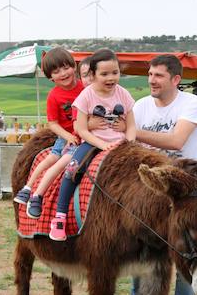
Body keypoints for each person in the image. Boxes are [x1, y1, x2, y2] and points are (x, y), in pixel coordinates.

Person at [118, 54, 197, 295]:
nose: (152, 80)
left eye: (159, 75)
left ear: (175, 80)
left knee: (184, 262)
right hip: (151, 192)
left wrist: (130, 130)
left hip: (186, 193)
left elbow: (177, 141)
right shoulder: (140, 106)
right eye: (150, 74)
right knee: (142, 252)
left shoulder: (191, 103)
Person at [47, 49, 136, 240]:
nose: (111, 77)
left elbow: (131, 125)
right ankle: (60, 216)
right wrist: (103, 145)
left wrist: (130, 143)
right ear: (93, 75)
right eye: (104, 74)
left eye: (115, 72)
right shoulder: (86, 97)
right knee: (71, 170)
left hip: (121, 143)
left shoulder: (124, 94)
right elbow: (81, 130)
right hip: (93, 143)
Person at [14, 48, 85, 206]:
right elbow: (53, 123)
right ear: (50, 77)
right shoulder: (54, 96)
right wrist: (68, 137)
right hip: (66, 134)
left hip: (84, 133)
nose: (63, 74)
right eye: (57, 71)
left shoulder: (84, 88)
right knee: (52, 158)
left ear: (74, 67)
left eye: (66, 68)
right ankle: (28, 187)